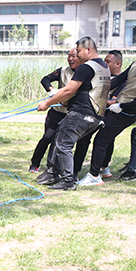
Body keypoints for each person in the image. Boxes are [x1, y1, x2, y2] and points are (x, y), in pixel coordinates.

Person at [77, 39, 136, 187]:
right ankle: (102, 169)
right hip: (117, 108)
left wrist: (121, 106)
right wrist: (95, 87)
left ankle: (94, 176)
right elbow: (117, 81)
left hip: (127, 114)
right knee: (105, 138)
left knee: (101, 139)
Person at [36, 37, 111, 191]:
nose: (76, 55)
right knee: (59, 137)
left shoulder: (86, 67)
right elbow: (89, 91)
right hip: (96, 116)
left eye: (78, 51)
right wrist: (67, 103)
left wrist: (47, 103)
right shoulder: (103, 66)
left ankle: (68, 180)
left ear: (88, 50)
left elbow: (68, 90)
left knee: (63, 144)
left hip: (82, 114)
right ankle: (52, 173)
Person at [74, 48, 124, 179]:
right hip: (94, 113)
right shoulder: (101, 76)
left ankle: (102, 167)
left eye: (108, 61)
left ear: (118, 63)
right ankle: (75, 169)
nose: (105, 64)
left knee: (106, 141)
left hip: (109, 116)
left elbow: (114, 101)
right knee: (83, 140)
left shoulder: (121, 81)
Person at [29, 48, 78, 173]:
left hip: (70, 115)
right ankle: (35, 163)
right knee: (47, 137)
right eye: (69, 56)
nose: (71, 59)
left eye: (74, 56)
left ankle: (52, 167)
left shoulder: (84, 73)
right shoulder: (62, 71)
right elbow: (45, 79)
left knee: (59, 142)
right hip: (56, 112)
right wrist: (51, 90)